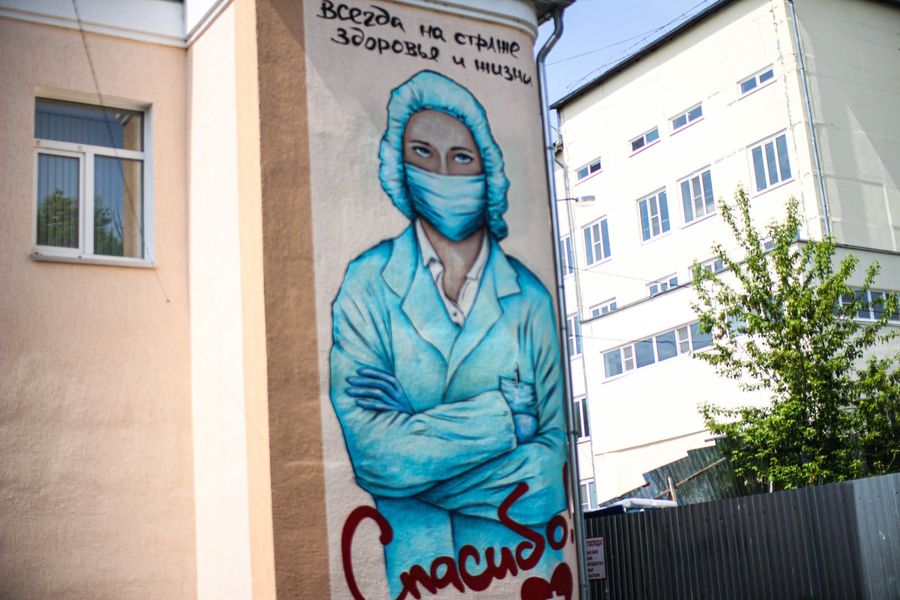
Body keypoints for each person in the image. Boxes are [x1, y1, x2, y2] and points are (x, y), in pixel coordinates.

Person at [329, 70, 567, 593]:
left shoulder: (530, 299)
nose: (441, 172)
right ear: (399, 167)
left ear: (488, 170)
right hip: (418, 576)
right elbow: (376, 456)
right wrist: (505, 420)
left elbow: (549, 474)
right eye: (422, 153)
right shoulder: (367, 284)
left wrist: (418, 450)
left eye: (461, 157)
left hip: (521, 575)